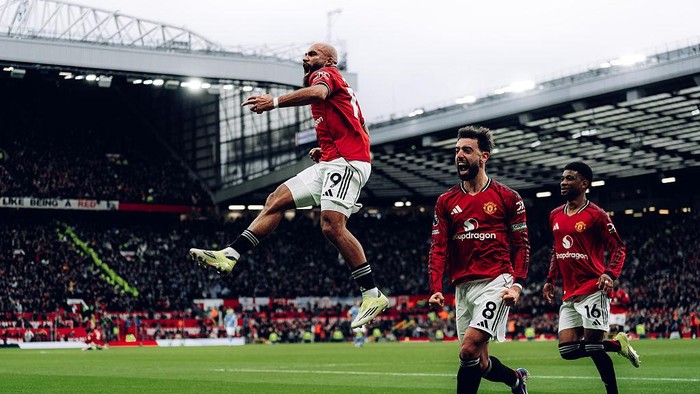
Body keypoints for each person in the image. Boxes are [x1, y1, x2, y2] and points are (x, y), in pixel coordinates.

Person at [189, 42, 387, 328]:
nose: (306, 57)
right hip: (334, 159)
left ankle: (372, 294)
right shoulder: (337, 88)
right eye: (306, 53)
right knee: (276, 199)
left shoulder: (327, 75)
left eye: (313, 54)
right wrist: (327, 147)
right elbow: (361, 127)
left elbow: (318, 93)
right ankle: (230, 254)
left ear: (329, 60)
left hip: (345, 162)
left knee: (331, 226)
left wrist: (275, 102)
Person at [428, 126, 530, 394]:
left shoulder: (508, 198)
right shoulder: (445, 201)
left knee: (468, 347)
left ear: (484, 156)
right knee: (477, 361)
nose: (459, 155)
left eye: (466, 150)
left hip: (496, 281)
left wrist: (517, 285)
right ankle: (516, 379)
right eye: (457, 150)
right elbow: (438, 247)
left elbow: (521, 246)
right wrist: (436, 287)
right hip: (463, 287)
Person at [543, 162, 640, 394]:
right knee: (567, 351)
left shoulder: (597, 215)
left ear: (584, 184)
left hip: (594, 288)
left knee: (594, 346)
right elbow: (556, 249)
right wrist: (550, 278)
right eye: (563, 178)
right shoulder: (554, 215)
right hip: (570, 291)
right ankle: (617, 344)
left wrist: (609, 273)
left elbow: (618, 248)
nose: (563, 182)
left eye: (570, 178)